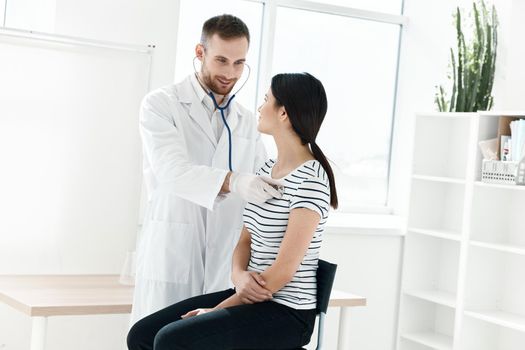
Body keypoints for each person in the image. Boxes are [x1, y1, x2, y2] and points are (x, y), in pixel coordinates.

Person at [127, 72, 339, 350]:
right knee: (142, 334)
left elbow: (283, 272)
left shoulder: (311, 179)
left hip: (286, 313)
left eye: (266, 100)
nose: (260, 108)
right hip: (251, 296)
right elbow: (245, 240)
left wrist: (216, 310)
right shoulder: (267, 171)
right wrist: (239, 277)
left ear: (284, 113)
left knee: (171, 341)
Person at [131, 14, 283, 325]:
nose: (230, 73)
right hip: (174, 253)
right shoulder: (161, 105)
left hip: (224, 263)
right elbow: (172, 171)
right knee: (157, 338)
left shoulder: (246, 122)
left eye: (239, 63)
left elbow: (262, 185)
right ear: (200, 53)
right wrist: (235, 182)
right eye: (222, 60)